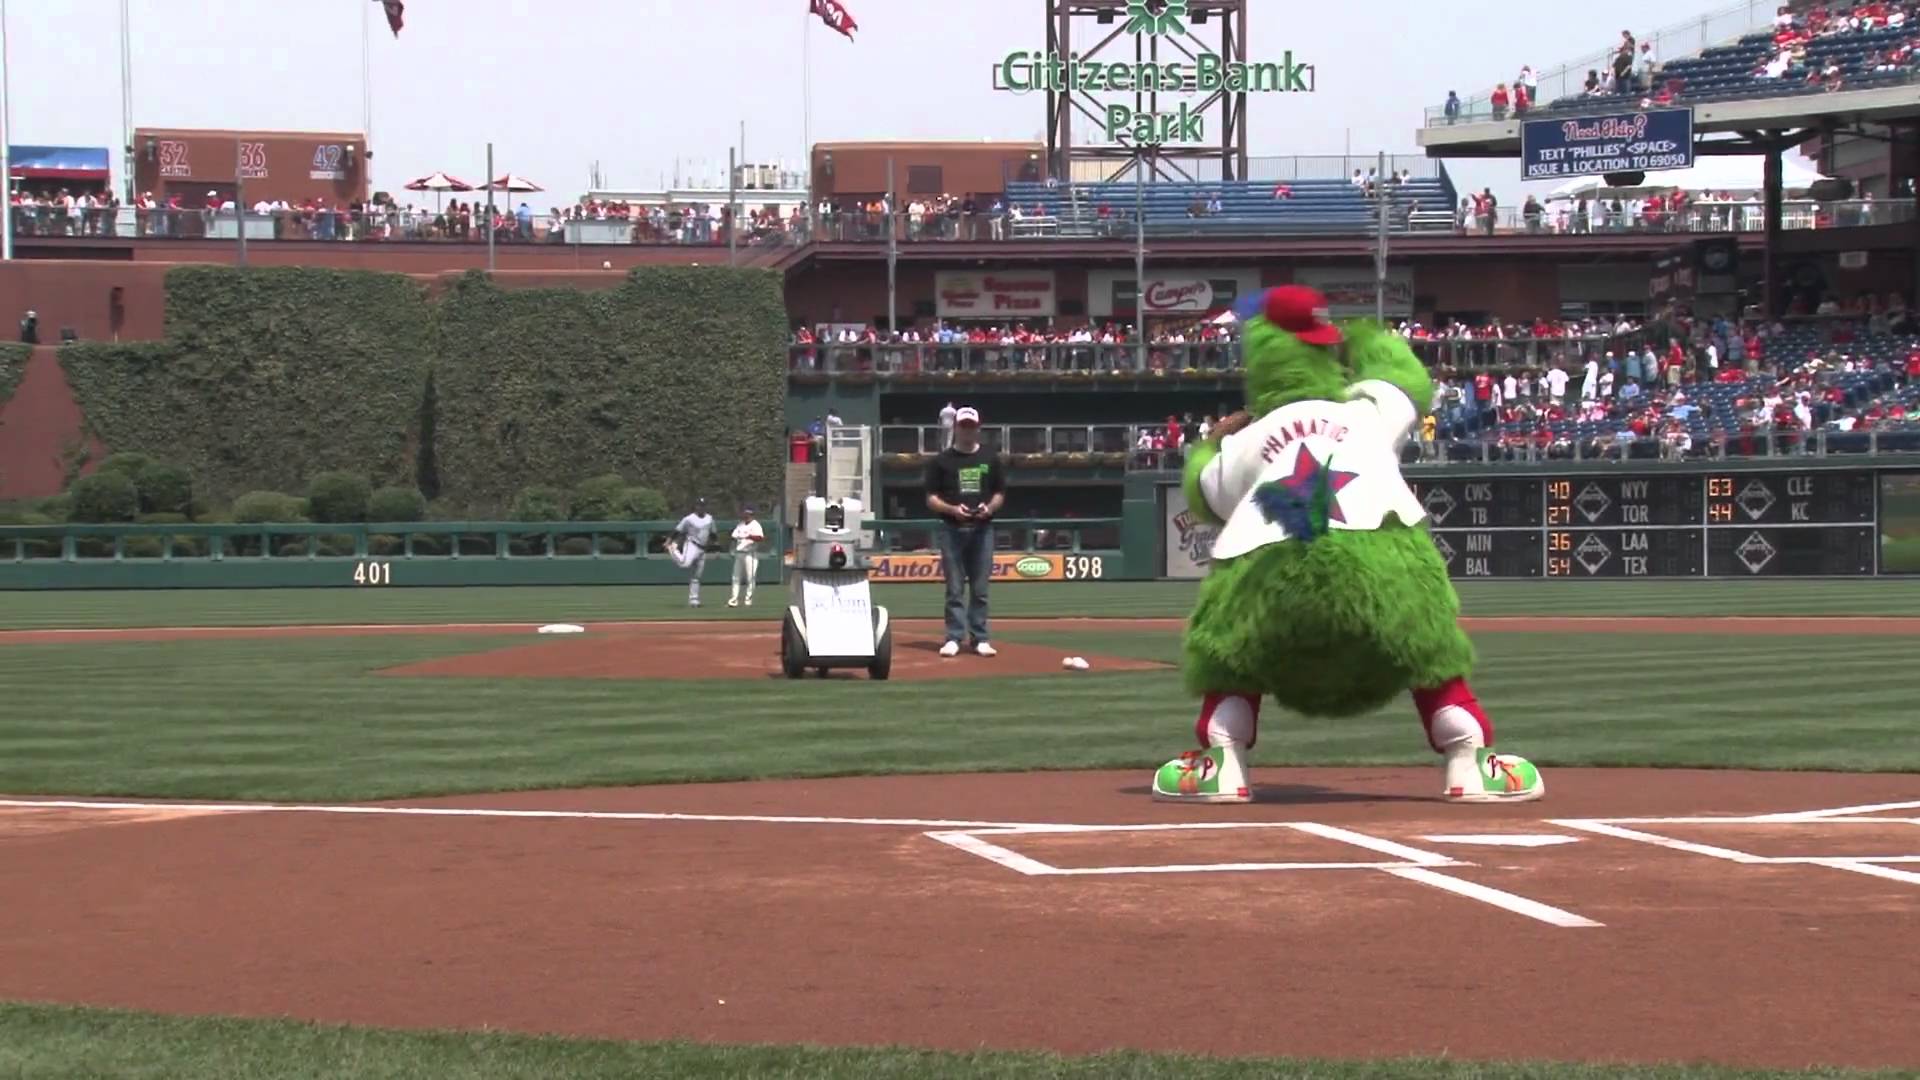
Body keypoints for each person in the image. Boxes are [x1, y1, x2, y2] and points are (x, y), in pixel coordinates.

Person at [922, 406, 1006, 657]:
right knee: (955, 588)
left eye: (972, 427)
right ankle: (954, 637)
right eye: (963, 426)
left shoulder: (990, 458)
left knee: (980, 589)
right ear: (956, 428)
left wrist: (988, 508)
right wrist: (951, 509)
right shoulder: (942, 461)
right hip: (952, 529)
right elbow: (931, 498)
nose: (967, 431)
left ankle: (980, 637)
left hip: (982, 529)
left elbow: (1000, 494)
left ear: (978, 428)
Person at [668, 497, 717, 608]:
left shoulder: (709, 518)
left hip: (703, 549)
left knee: (697, 576)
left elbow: (713, 534)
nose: (701, 507)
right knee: (685, 564)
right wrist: (669, 541)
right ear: (695, 506)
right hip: (692, 545)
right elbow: (677, 530)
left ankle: (694, 600)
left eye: (703, 505)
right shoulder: (689, 519)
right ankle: (672, 548)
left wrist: (715, 547)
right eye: (699, 505)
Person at [728, 505, 765, 608]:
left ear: (751, 514)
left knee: (750, 578)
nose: (746, 516)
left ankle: (748, 600)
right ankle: (733, 601)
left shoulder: (755, 525)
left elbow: (760, 538)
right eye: (745, 514)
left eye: (748, 514)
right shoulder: (740, 525)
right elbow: (733, 537)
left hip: (750, 554)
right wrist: (731, 549)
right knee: (735, 578)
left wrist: (750, 536)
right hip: (739, 553)